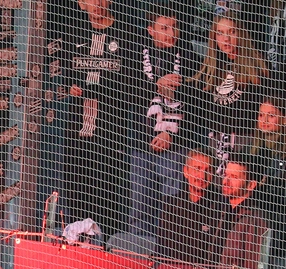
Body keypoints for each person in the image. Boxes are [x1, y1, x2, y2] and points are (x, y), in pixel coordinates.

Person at [58, 0, 131, 235]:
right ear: (81, 3)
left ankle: (105, 246)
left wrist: (92, 91)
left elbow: (131, 84)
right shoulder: (72, 31)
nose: (98, 3)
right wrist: (68, 86)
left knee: (107, 196)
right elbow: (62, 72)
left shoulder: (125, 33)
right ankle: (76, 241)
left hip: (110, 136)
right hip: (77, 132)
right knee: (75, 191)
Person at [129, 6, 189, 243]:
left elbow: (196, 104)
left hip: (175, 148)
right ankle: (136, 259)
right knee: (139, 209)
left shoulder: (189, 56)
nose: (170, 32)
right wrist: (157, 86)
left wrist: (172, 136)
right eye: (164, 28)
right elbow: (126, 93)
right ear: (151, 30)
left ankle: (165, 256)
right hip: (141, 145)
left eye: (174, 27)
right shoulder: (135, 53)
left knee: (169, 209)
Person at [187, 13, 269, 176]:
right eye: (220, 33)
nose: (226, 39)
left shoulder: (258, 70)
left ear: (240, 33)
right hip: (214, 142)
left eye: (231, 32)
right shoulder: (210, 69)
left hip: (245, 143)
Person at [248, 95, 286, 269]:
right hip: (256, 223)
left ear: (284, 119)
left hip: (283, 230)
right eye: (261, 115)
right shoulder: (251, 151)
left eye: (271, 115)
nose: (264, 120)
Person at [157, 149, 223, 264]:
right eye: (197, 169)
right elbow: (161, 249)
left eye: (208, 170)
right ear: (186, 171)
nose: (202, 176)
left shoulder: (221, 207)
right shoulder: (171, 204)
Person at [217, 156, 271, 269]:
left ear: (251, 184)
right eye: (226, 175)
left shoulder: (255, 220)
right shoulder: (223, 211)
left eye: (234, 177)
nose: (226, 181)